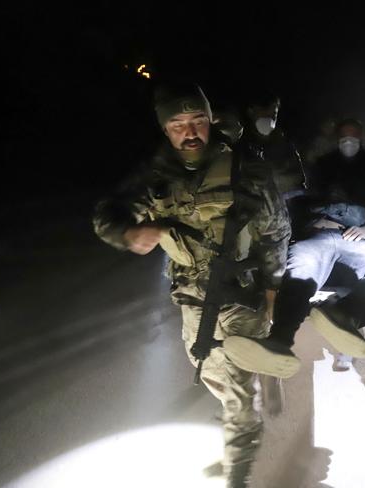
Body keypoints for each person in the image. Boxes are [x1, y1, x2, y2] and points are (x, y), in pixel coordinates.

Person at [93, 82, 291, 488]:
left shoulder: (245, 168)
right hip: (191, 295)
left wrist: (272, 291)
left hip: (242, 290)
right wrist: (129, 234)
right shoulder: (154, 175)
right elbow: (109, 211)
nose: (190, 131)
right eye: (178, 124)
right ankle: (247, 411)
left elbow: (277, 231)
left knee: (236, 392)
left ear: (209, 120)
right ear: (166, 130)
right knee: (209, 371)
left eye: (197, 120)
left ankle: (238, 467)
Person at [224, 118, 365, 377]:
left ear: (361, 138)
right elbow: (302, 198)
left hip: (359, 238)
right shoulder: (323, 165)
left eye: (353, 138)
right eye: (344, 138)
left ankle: (345, 317)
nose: (348, 143)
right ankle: (279, 342)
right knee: (300, 269)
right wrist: (311, 220)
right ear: (338, 139)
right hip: (320, 234)